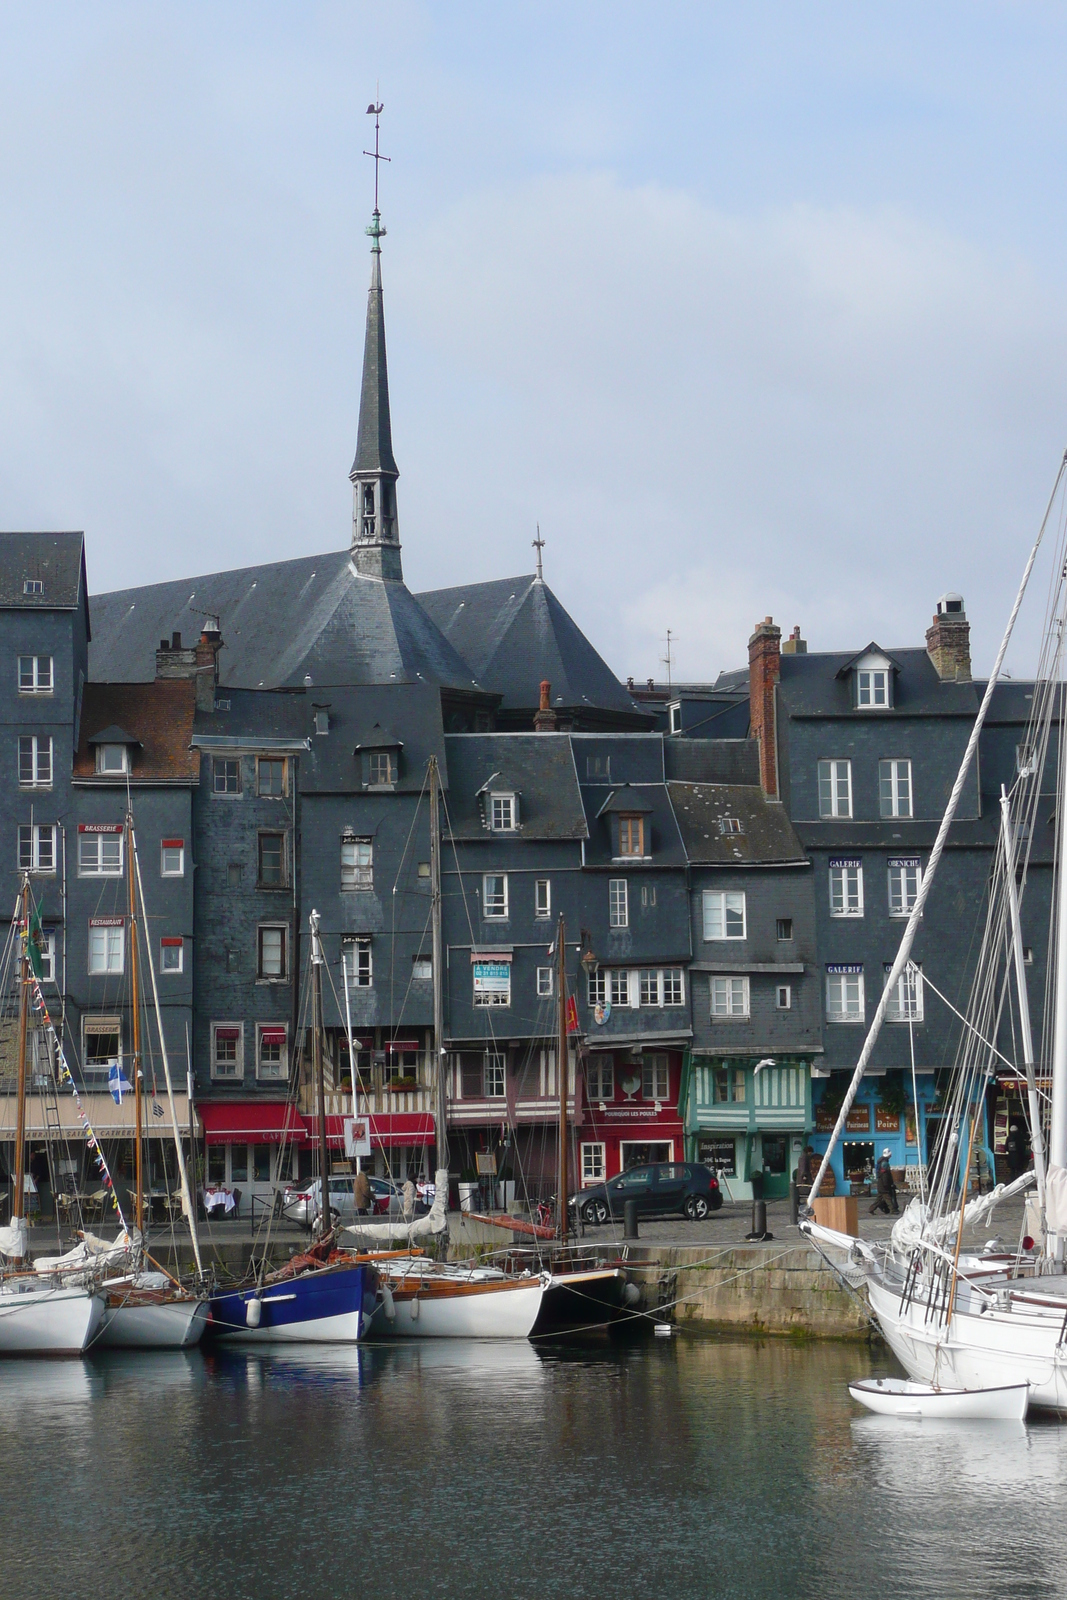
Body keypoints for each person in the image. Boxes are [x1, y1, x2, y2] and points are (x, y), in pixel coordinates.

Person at [869, 1148, 899, 1216]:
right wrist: (887, 1184)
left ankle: (871, 1209)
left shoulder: (882, 1162)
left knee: (879, 1199)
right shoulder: (884, 1163)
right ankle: (892, 1210)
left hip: (881, 1184)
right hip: (883, 1185)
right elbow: (885, 1175)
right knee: (887, 1198)